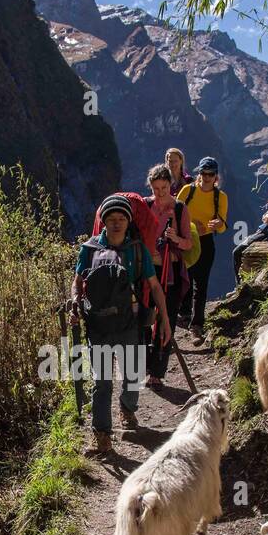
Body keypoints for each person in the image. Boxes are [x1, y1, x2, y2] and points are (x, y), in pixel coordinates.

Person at [71, 194, 172, 456]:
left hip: (129, 323)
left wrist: (165, 319)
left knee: (133, 375)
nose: (116, 223)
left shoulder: (137, 250)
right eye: (111, 219)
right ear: (103, 222)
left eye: (121, 219)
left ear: (128, 221)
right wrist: (74, 302)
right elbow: (78, 281)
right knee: (102, 381)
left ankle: (127, 408)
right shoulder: (89, 249)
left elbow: (154, 285)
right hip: (99, 325)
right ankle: (102, 435)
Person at [142, 163, 193, 385]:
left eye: (164, 188)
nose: (160, 193)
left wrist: (175, 239)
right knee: (144, 319)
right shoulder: (145, 206)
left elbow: (188, 244)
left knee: (167, 319)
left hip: (169, 272)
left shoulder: (180, 208)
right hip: (147, 271)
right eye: (156, 189)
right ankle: (145, 365)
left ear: (170, 185)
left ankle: (157, 373)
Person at [176, 156, 228, 342]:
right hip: (186, 240)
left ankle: (197, 325)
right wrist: (191, 225)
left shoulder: (220, 197)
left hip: (205, 243)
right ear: (199, 174)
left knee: (201, 283)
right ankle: (184, 314)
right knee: (185, 279)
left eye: (210, 174)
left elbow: (222, 226)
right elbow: (173, 213)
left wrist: (217, 225)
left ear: (216, 176)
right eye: (203, 173)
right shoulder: (187, 191)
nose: (206, 177)